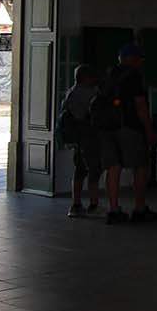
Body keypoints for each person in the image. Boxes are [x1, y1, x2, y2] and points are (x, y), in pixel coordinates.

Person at [97, 42, 157, 224]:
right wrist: (149, 130)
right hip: (129, 127)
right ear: (133, 59)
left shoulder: (108, 75)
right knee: (140, 166)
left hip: (107, 128)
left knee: (113, 168)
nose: (141, 62)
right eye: (140, 59)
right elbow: (140, 106)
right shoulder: (134, 76)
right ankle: (139, 208)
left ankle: (114, 209)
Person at [58, 64, 103, 217]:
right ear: (86, 78)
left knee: (80, 170)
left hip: (78, 138)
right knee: (94, 169)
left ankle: (76, 204)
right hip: (88, 136)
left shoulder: (71, 92)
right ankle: (94, 204)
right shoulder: (88, 93)